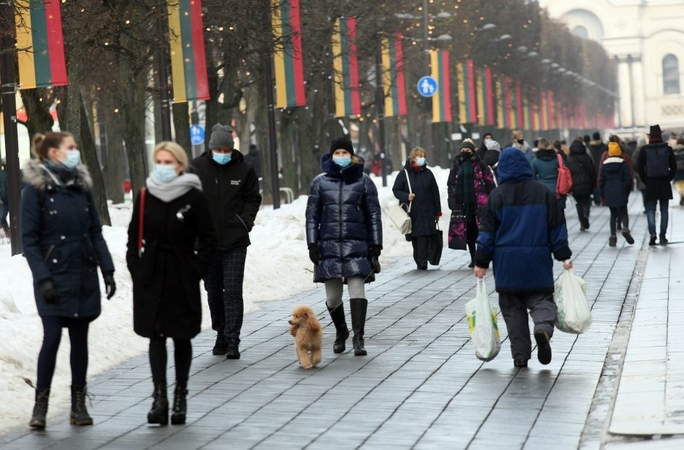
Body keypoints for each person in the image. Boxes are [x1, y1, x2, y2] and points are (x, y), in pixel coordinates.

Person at [21, 132, 116, 429]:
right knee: (51, 337)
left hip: (82, 274)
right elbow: (30, 241)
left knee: (80, 340)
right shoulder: (34, 190)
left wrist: (108, 269)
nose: (76, 152)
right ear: (53, 153)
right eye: (71, 147)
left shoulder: (81, 187)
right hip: (52, 278)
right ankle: (41, 405)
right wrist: (43, 279)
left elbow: (95, 232)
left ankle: (78, 403)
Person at [126, 141, 216, 425]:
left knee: (181, 335)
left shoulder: (194, 197)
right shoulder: (145, 195)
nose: (163, 167)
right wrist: (137, 268)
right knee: (156, 335)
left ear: (179, 165)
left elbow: (209, 239)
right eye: (159, 162)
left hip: (181, 273)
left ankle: (180, 396)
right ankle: (159, 397)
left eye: (168, 162)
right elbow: (133, 236)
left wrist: (195, 269)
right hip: (151, 274)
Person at [474, 147, 573, 368]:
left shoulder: (496, 197)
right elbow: (556, 227)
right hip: (537, 261)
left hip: (507, 264)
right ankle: (542, 328)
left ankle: (520, 356)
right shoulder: (543, 193)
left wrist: (481, 261)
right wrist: (563, 255)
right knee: (541, 301)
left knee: (512, 309)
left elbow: (487, 233)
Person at [306, 137, 382, 356]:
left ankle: (359, 337)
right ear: (331, 156)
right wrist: (312, 243)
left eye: (344, 152)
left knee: (357, 289)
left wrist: (376, 245)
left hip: (356, 246)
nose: (341, 156)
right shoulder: (320, 182)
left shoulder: (364, 181)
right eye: (337, 152)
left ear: (352, 155)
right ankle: (342, 332)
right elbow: (312, 215)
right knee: (333, 297)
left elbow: (374, 215)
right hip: (328, 247)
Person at [191, 123, 262, 359]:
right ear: (210, 149)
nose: (222, 154)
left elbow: (253, 198)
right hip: (206, 242)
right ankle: (220, 332)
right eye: (217, 150)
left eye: (226, 149)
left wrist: (245, 221)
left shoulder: (244, 169)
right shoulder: (197, 168)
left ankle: (233, 339)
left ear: (231, 148)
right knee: (213, 291)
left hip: (235, 240)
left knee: (232, 290)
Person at [447, 139, 496, 267]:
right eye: (462, 150)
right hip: (462, 204)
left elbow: (490, 182)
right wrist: (451, 200)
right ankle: (473, 256)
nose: (465, 152)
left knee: (480, 231)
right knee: (467, 232)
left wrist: (493, 199)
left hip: (480, 204)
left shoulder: (481, 165)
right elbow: (451, 183)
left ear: (473, 151)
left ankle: (479, 256)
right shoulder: (456, 165)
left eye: (467, 150)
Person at [392, 147, 442, 270]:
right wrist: (406, 196)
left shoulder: (428, 173)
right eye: (419, 156)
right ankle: (421, 260)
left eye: (423, 156)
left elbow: (435, 192)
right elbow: (396, 190)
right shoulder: (404, 174)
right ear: (413, 158)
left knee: (425, 237)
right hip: (414, 212)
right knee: (417, 237)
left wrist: (437, 210)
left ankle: (422, 261)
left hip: (428, 210)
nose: (422, 158)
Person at [637, 124, 677, 245]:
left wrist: (646, 180)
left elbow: (640, 169)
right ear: (660, 135)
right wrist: (668, 178)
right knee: (664, 210)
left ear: (650, 136)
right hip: (664, 183)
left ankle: (652, 234)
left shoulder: (644, 150)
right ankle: (662, 236)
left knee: (650, 210)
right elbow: (673, 167)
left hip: (650, 183)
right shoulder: (667, 148)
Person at [599, 142, 634, 247]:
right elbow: (628, 179)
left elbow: (601, 181)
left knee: (613, 214)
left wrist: (602, 194)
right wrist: (627, 190)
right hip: (621, 190)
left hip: (609, 191)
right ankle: (625, 228)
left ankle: (613, 236)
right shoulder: (623, 163)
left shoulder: (605, 165)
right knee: (624, 212)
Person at [566, 137, 597, 231]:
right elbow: (592, 170)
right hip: (586, 183)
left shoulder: (569, 159)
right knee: (586, 201)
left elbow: (567, 173)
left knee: (578, 204)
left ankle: (582, 224)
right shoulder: (587, 157)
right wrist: (593, 183)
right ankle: (586, 213)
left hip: (575, 185)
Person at [532, 138, 567, 209]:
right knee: (559, 215)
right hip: (558, 190)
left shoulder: (535, 161)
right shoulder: (557, 158)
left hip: (542, 191)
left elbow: (533, 178)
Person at [588, 132, 608, 205]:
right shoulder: (605, 147)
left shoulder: (590, 147)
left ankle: (597, 200)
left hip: (593, 167)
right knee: (603, 183)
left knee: (595, 184)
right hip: (603, 166)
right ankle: (603, 198)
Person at [671, 137, 684, 205]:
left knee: (678, 185)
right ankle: (683, 195)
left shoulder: (673, 151)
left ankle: (681, 194)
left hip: (676, 171)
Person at [0, 157, 9, 240]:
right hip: (4, 200)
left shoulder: (17, 173)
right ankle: (7, 233)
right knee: (2, 217)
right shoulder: (1, 174)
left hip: (14, 199)